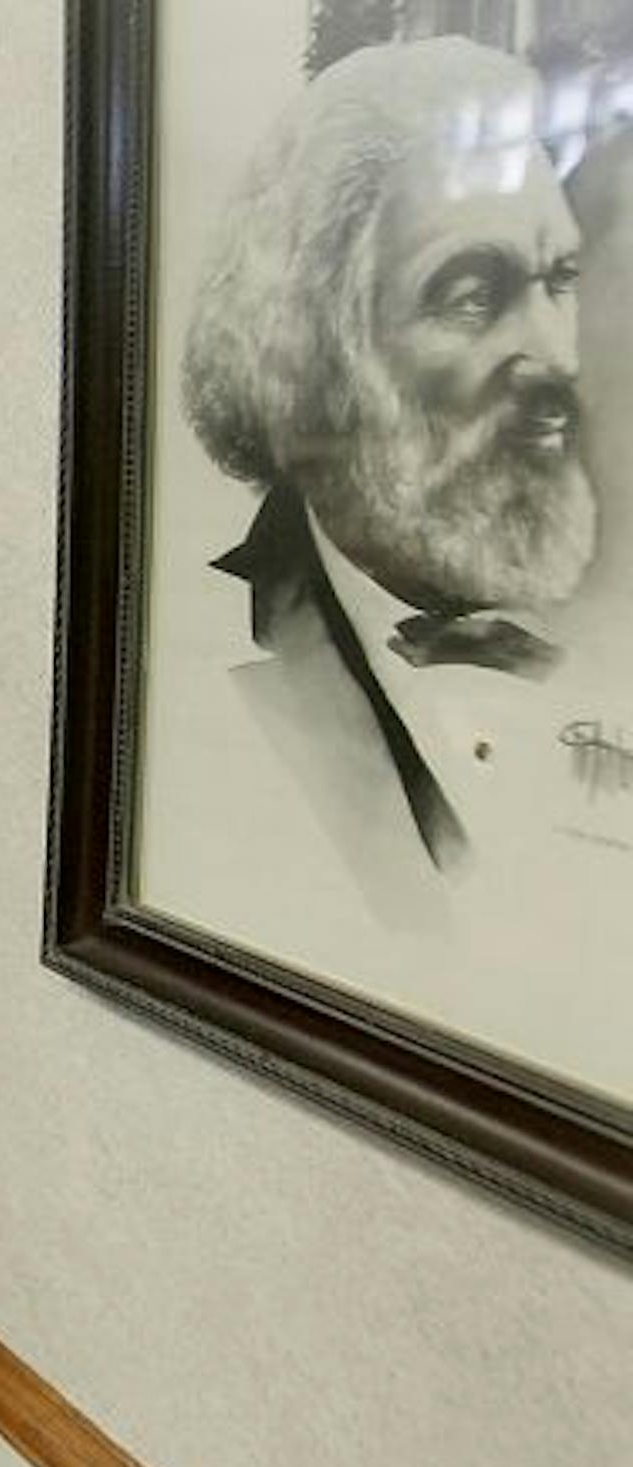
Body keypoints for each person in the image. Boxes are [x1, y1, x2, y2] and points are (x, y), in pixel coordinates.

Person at [181, 36, 595, 880]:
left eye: (560, 279)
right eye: (475, 293)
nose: (558, 356)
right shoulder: (204, 660)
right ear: (315, 356)